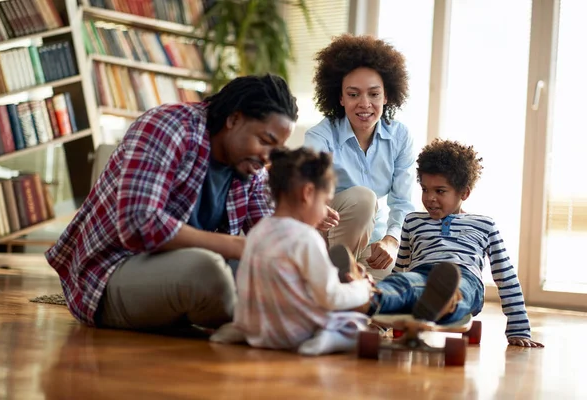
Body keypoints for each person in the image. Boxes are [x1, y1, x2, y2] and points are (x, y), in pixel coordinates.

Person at [45, 74, 298, 331]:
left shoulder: (251, 169)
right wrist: (234, 245)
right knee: (207, 271)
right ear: (234, 119)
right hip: (112, 274)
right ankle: (281, 322)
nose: (267, 157)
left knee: (272, 270)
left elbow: (270, 239)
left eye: (275, 150)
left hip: (181, 272)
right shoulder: (169, 126)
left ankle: (303, 311)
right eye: (264, 141)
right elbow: (138, 222)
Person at [357, 139, 543, 347]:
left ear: (464, 193)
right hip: (421, 274)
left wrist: (519, 328)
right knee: (403, 283)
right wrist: (381, 325)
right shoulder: (413, 221)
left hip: (463, 278)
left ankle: (446, 303)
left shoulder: (484, 225)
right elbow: (401, 268)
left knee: (457, 290)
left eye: (440, 191)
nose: (430, 198)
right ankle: (366, 298)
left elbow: (505, 276)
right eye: (425, 189)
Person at [210, 147, 373, 355]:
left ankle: (239, 330)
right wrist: (361, 289)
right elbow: (330, 297)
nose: (325, 210)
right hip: (295, 333)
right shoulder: (305, 237)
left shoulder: (258, 231)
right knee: (357, 323)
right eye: (325, 202)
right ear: (307, 193)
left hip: (257, 329)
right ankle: (326, 339)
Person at [304, 34, 415, 281]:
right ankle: (337, 281)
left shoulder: (400, 137)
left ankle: (344, 293)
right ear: (340, 98)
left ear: (386, 96)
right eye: (353, 94)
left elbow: (402, 202)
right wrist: (316, 206)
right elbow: (307, 184)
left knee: (389, 293)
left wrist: (391, 240)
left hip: (371, 244)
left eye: (374, 94)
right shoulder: (320, 136)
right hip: (323, 237)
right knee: (364, 198)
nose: (365, 104)